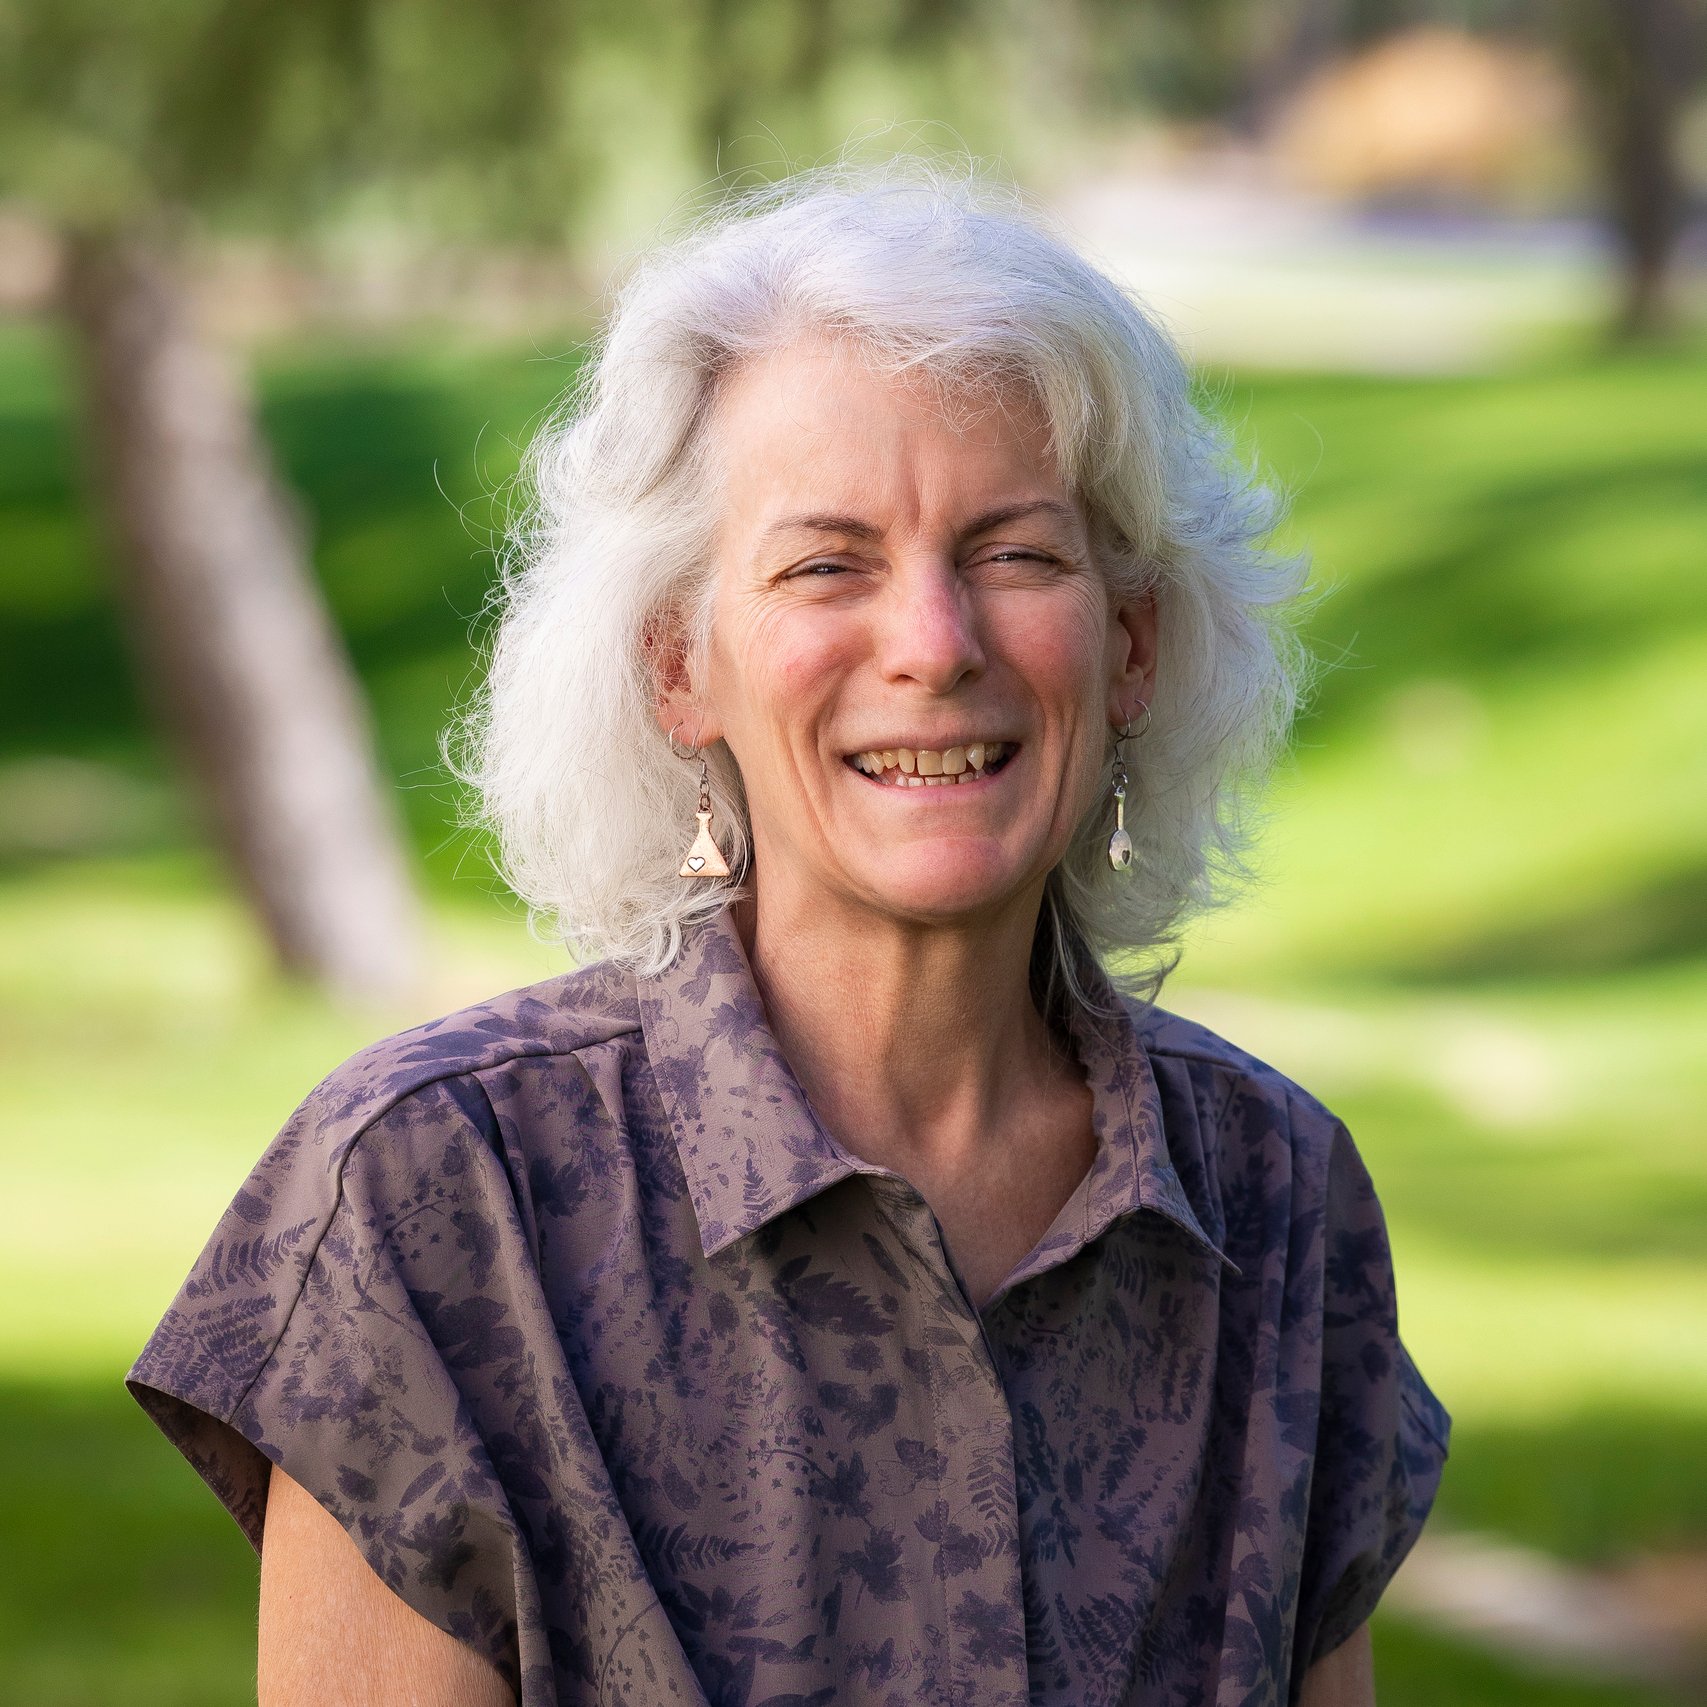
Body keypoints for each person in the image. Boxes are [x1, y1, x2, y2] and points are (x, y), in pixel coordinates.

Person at [127, 162, 1450, 1707]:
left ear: (1133, 643)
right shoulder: (435, 1202)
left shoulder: (1279, 1199)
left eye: (1017, 553)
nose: (934, 646)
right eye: (829, 565)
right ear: (680, 667)